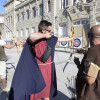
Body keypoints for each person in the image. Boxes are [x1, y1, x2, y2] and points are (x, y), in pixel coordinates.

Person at [8, 20, 74, 100]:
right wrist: (44, 36)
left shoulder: (50, 38)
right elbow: (31, 36)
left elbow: (60, 39)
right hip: (38, 69)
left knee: (47, 92)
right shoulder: (36, 39)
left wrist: (70, 38)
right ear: (43, 30)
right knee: (37, 92)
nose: (50, 32)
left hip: (48, 68)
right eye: (49, 30)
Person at [74, 25, 100, 100]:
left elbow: (90, 80)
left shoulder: (93, 52)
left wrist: (78, 64)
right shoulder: (93, 51)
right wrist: (83, 51)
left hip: (92, 94)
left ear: (89, 35)